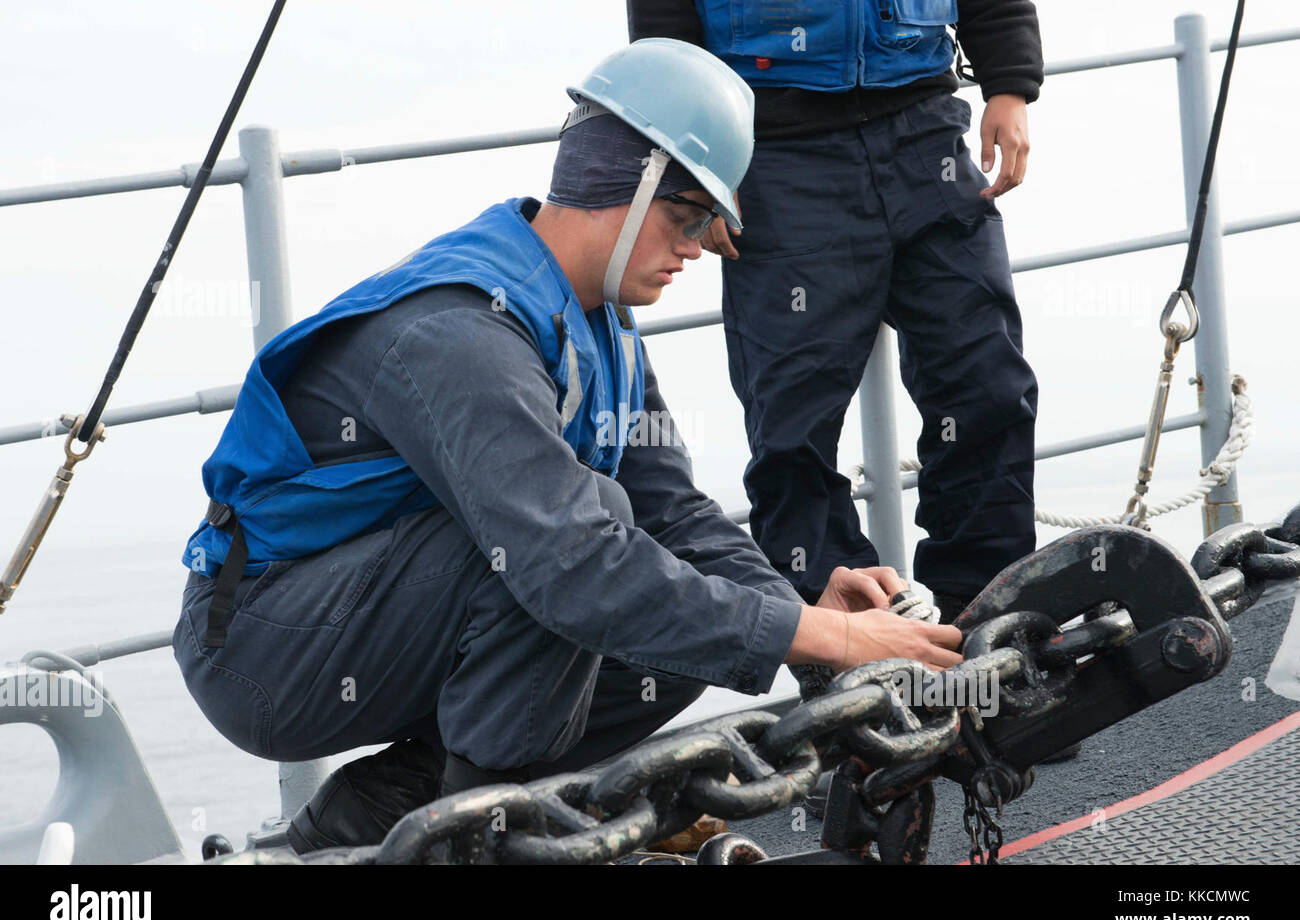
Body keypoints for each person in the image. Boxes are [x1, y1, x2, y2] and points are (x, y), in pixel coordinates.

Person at [171, 38, 961, 855]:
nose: (697, 247)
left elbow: (677, 515)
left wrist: (800, 624)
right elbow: (570, 562)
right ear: (630, 181)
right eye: (688, 218)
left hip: (372, 613)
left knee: (683, 618)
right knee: (567, 560)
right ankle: (479, 844)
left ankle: (374, 825)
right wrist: (829, 639)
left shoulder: (599, 323)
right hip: (262, 650)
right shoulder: (462, 332)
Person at [628, 1, 1043, 624]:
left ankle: (984, 608)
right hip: (773, 152)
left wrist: (1009, 85)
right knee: (791, 423)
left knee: (987, 383)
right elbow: (664, 14)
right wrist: (701, 157)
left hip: (925, 127)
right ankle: (846, 634)